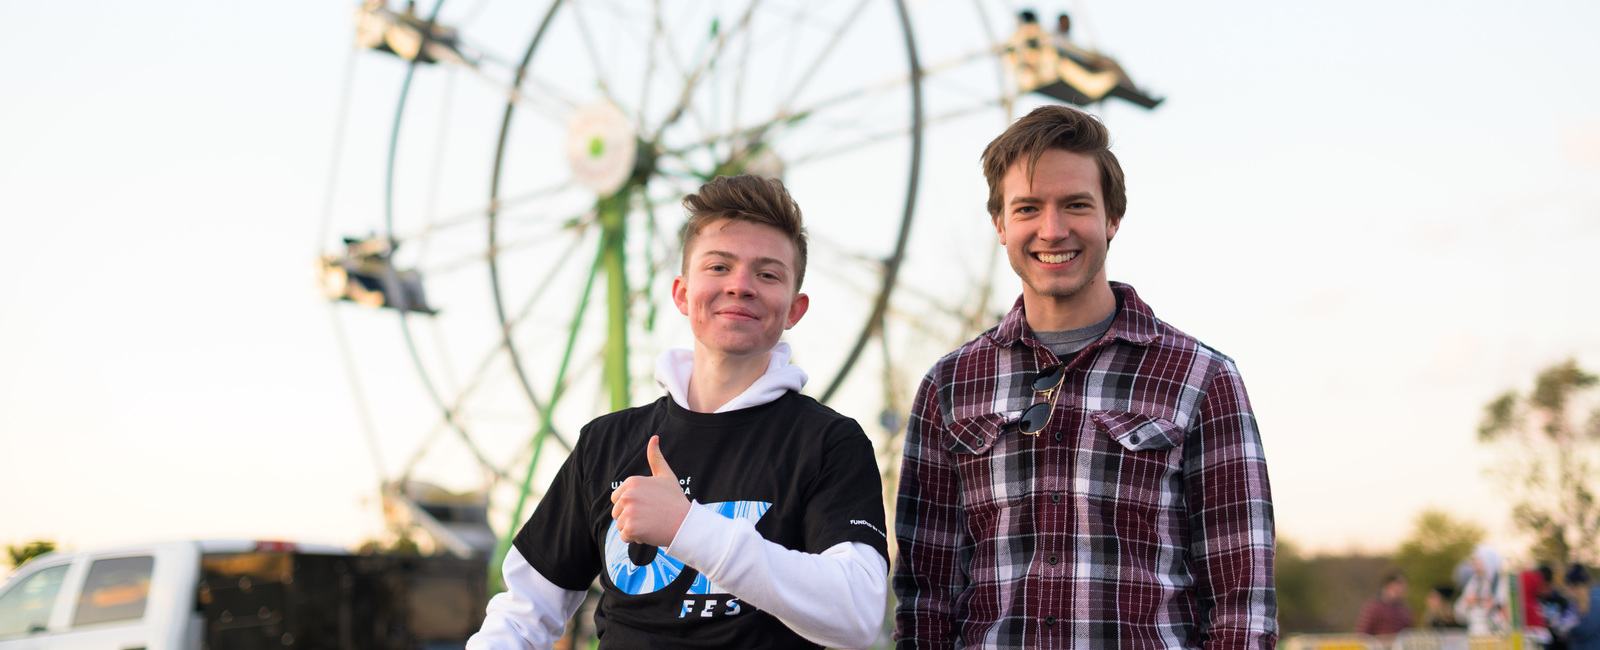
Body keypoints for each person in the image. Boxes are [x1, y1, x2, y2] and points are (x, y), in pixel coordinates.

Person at [892, 104, 1277, 649]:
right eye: (1027, 208)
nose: (1052, 230)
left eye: (1076, 205)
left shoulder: (1201, 378)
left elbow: (1244, 602)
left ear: (1112, 217)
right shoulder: (950, 385)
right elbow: (924, 596)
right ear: (1000, 224)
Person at [468, 174, 890, 649]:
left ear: (795, 309)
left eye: (767, 274)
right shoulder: (606, 443)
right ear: (681, 294)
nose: (741, 286)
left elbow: (857, 611)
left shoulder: (829, 443)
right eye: (718, 267)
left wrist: (690, 529)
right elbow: (524, 613)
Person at [1456, 545, 1508, 636]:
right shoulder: (1473, 583)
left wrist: (1495, 605)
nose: (1474, 566)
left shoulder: (1502, 583)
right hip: (1476, 634)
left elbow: (1511, 613)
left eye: (1477, 562)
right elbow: (1459, 614)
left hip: (1498, 636)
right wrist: (1467, 603)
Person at [1356, 571, 1415, 639]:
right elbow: (1362, 633)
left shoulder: (1405, 610)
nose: (1404, 587)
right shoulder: (1373, 607)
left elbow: (1409, 632)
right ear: (1389, 586)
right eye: (1400, 583)